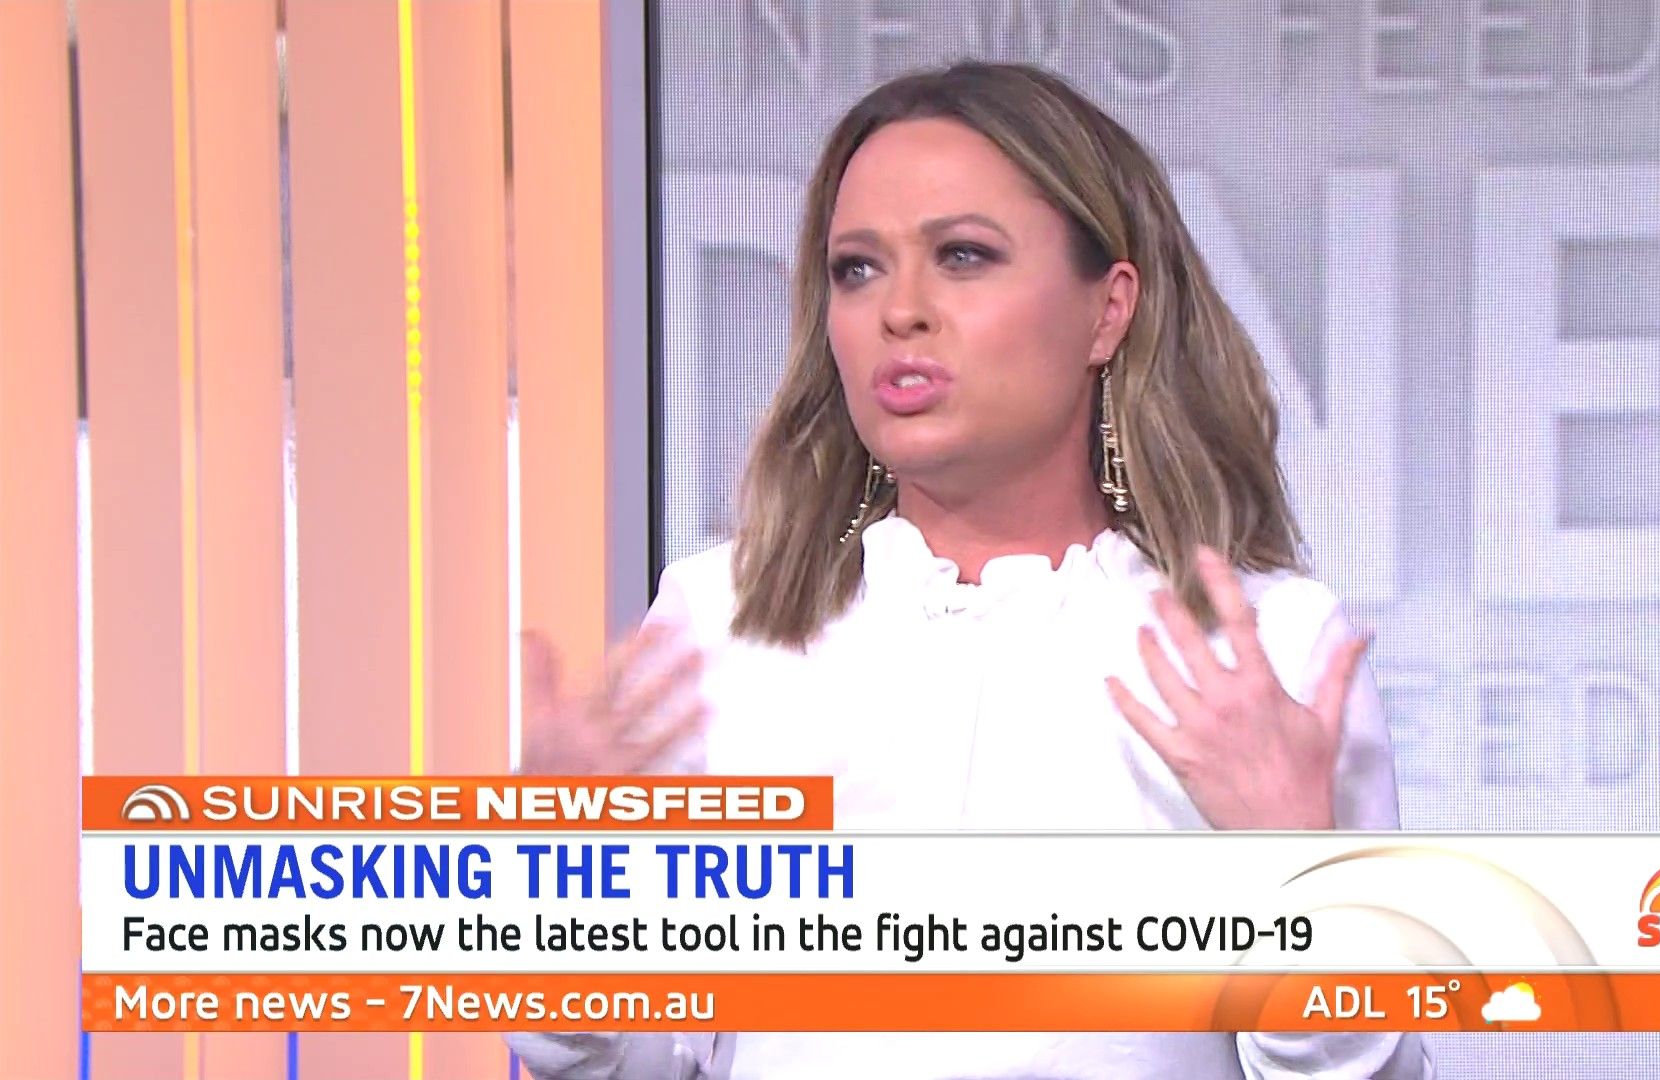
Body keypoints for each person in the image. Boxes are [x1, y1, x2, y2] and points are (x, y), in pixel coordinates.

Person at [508, 60, 1431, 1080]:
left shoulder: (1266, 648)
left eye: (962, 255)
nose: (900, 311)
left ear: (1107, 310)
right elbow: (617, 1062)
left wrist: (1296, 877)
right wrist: (564, 884)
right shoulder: (723, 620)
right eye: (857, 269)